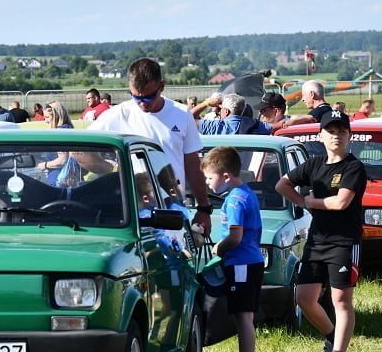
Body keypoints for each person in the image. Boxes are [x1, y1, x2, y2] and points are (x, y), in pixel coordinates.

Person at [275, 110, 367, 352]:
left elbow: (340, 203)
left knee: (341, 299)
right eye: (331, 131)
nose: (336, 136)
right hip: (317, 240)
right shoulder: (314, 165)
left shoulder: (353, 167)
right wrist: (303, 202)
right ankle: (331, 337)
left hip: (344, 241)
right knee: (304, 298)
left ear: (349, 136)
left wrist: (311, 202)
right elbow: (282, 185)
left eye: (342, 131)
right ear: (321, 136)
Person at [83, 57, 213, 234]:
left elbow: (192, 164)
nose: (142, 102)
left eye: (149, 96)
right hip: (131, 217)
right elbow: (79, 151)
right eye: (136, 96)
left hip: (172, 214)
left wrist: (204, 208)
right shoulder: (117, 115)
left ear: (162, 86)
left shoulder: (182, 114)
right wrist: (112, 171)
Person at [201, 146, 264, 352]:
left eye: (209, 178)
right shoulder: (247, 193)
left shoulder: (235, 200)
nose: (207, 183)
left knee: (243, 315)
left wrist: (219, 247)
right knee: (244, 315)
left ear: (226, 176)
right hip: (250, 262)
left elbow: (235, 237)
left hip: (242, 265)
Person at [37, 101, 76, 186]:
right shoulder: (68, 130)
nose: (45, 121)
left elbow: (62, 160)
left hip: (58, 181)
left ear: (56, 116)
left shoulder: (60, 133)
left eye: (47, 117)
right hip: (67, 180)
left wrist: (44, 165)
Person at [194, 93, 270, 135]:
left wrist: (206, 103)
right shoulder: (255, 125)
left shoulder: (215, 127)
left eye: (221, 109)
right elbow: (274, 126)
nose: (220, 111)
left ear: (226, 112)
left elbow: (189, 119)